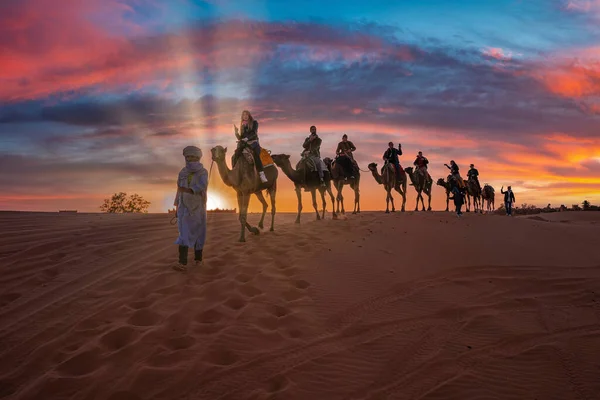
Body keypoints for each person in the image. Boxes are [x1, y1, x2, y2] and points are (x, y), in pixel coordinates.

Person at [173, 145, 208, 271]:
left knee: (199, 233)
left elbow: (202, 186)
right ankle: (182, 263)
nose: (190, 159)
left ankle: (198, 260)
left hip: (198, 207)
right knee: (183, 233)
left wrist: (188, 190)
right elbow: (178, 189)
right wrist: (176, 206)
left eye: (193, 156)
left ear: (198, 158)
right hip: (183, 208)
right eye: (188, 156)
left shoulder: (203, 172)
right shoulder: (182, 172)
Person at [234, 110, 268, 183]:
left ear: (249, 115)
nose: (245, 116)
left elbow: (254, 133)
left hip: (254, 143)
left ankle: (262, 174)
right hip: (245, 144)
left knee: (256, 156)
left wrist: (247, 138)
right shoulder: (242, 125)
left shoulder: (254, 123)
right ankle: (235, 172)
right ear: (242, 117)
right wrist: (236, 133)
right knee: (236, 155)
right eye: (243, 115)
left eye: (246, 114)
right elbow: (241, 138)